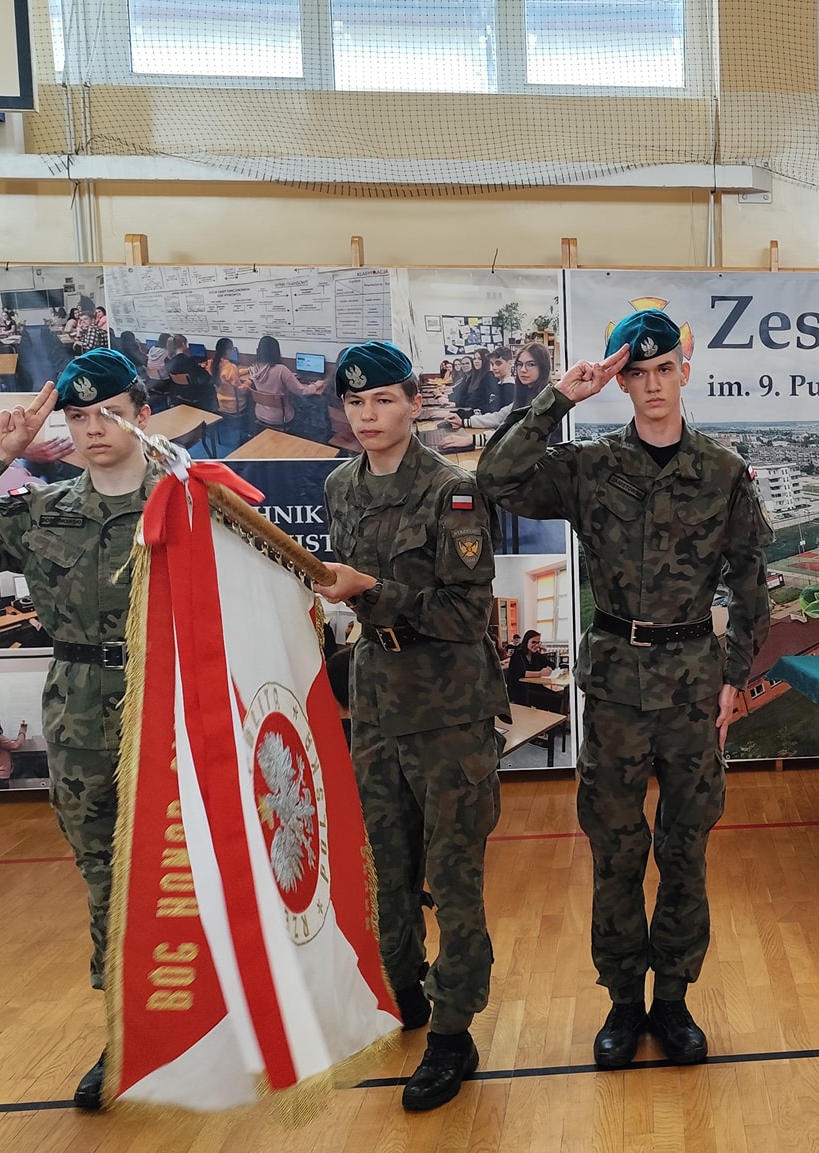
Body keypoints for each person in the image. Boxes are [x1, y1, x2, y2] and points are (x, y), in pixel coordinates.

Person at [476, 309, 770, 1070]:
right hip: (614, 686)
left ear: (685, 370)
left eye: (663, 369)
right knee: (615, 848)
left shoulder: (722, 472)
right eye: (636, 374)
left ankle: (672, 999)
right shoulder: (591, 466)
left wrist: (735, 676)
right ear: (621, 383)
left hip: (692, 686)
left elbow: (750, 581)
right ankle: (622, 1000)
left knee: (685, 846)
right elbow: (496, 477)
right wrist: (560, 397)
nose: (652, 386)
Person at [0, 348, 156, 1110]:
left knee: (193, 865)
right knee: (105, 875)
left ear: (142, 415)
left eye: (108, 413)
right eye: (78, 417)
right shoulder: (45, 511)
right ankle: (127, 1031)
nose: (93, 428)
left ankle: (212, 1015)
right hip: (80, 714)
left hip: (174, 702)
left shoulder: (192, 505)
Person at [315, 341, 505, 1113]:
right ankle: (404, 992)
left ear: (413, 402)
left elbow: (467, 613)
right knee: (385, 868)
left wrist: (373, 589)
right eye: (355, 402)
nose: (368, 415)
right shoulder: (340, 486)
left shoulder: (451, 492)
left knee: (453, 876)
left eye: (383, 399)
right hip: (377, 701)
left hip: (449, 704)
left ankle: (454, 1030)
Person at [248, 335, 326, 433]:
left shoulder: (253, 369)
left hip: (260, 414)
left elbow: (268, 377)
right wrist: (317, 384)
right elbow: (302, 391)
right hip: (281, 418)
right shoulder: (281, 370)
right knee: (307, 405)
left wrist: (290, 377)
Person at [504, 628, 554, 707]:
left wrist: (548, 669)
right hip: (519, 690)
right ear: (526, 641)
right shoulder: (517, 654)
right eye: (533, 642)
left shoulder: (536, 655)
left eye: (538, 642)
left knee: (556, 697)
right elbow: (521, 673)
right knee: (553, 699)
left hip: (533, 687)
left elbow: (551, 664)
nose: (536, 645)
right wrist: (540, 673)